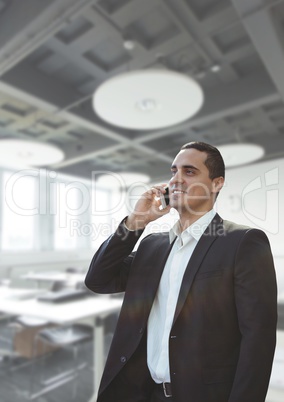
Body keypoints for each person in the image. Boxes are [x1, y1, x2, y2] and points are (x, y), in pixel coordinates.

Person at [85, 141, 277, 402]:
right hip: (143, 392)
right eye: (173, 171)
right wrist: (135, 222)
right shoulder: (152, 245)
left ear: (216, 183)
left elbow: (258, 340)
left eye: (189, 172)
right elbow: (98, 279)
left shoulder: (243, 242)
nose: (176, 179)